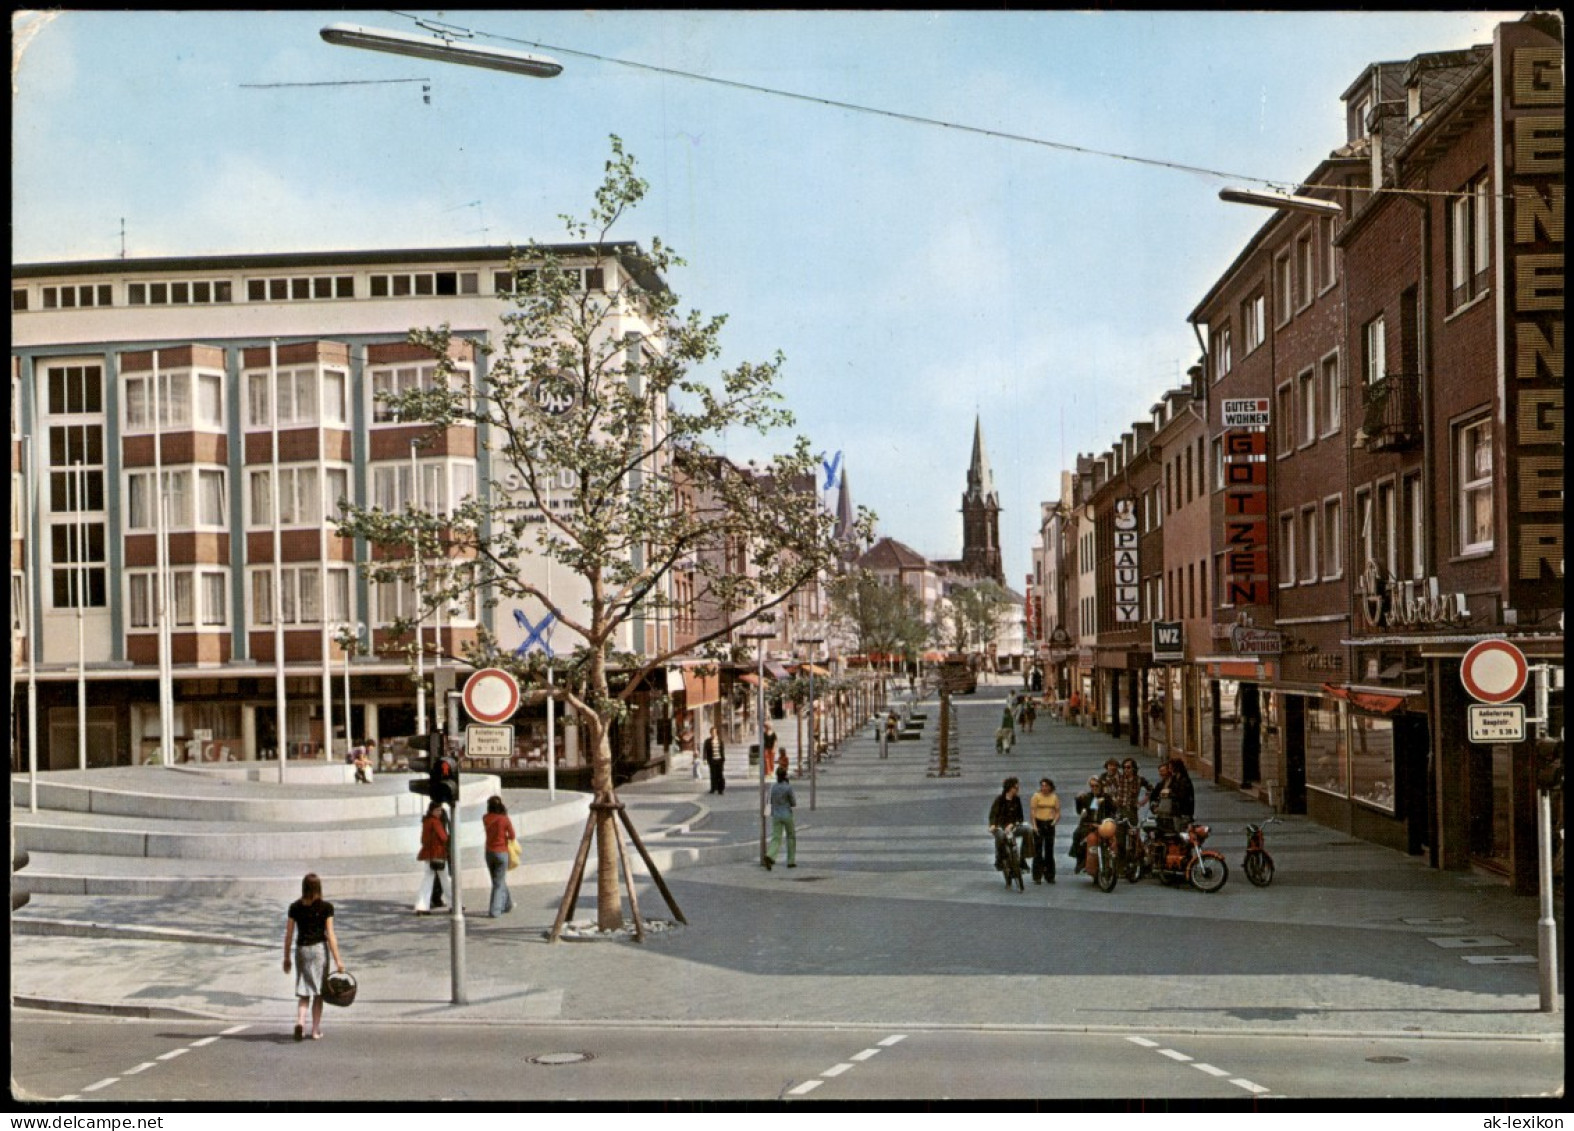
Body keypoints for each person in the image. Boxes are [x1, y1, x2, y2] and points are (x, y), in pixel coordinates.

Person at [282, 872, 344, 1042]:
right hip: (318, 951)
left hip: (301, 950)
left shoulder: (294, 907)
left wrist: (286, 958)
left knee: (304, 990)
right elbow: (330, 935)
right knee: (318, 992)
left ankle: (300, 1022)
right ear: (319, 888)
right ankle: (315, 1030)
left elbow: (288, 935)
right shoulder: (326, 908)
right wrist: (338, 960)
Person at [1070, 775, 1115, 873]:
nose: (1094, 788)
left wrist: (1105, 802)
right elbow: (1080, 811)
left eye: (1096, 786)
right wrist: (1078, 800)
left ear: (1101, 786)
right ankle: (1080, 861)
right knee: (1077, 835)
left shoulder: (1106, 797)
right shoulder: (1087, 797)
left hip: (1103, 825)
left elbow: (1113, 810)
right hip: (1089, 824)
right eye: (1092, 786)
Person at [482, 795, 516, 918]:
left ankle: (508, 904)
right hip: (501, 852)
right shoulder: (504, 819)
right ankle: (495, 910)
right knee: (498, 882)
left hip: (489, 852)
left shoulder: (485, 818)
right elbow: (512, 835)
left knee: (497, 880)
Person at [414, 800, 450, 915]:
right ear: (432, 811)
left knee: (427, 880)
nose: (440, 812)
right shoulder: (436, 822)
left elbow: (423, 839)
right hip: (438, 854)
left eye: (440, 810)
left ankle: (422, 906)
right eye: (438, 810)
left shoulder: (426, 821)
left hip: (428, 855)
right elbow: (444, 838)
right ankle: (455, 904)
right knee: (446, 880)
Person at [988, 777, 1029, 872]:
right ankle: (999, 860)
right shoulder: (999, 800)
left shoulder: (1017, 800)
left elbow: (1020, 817)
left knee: (1028, 830)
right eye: (1016, 787)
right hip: (1000, 827)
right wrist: (993, 825)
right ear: (1010, 788)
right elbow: (993, 814)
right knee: (1000, 836)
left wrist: (1013, 824)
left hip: (1013, 826)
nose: (1018, 789)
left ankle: (1023, 858)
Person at [1029, 777, 1060, 884]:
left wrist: (1054, 821)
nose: (1044, 788)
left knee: (1049, 851)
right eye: (1042, 786)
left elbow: (1057, 811)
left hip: (1049, 823)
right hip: (1039, 822)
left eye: (1046, 786)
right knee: (1038, 851)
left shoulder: (1054, 797)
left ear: (1050, 787)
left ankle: (1050, 876)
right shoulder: (1036, 796)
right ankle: (1037, 876)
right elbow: (1032, 812)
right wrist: (1034, 825)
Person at [765, 768, 797, 870]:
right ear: (785, 775)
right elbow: (793, 803)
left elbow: (769, 801)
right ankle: (791, 861)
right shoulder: (788, 787)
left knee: (776, 837)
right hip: (787, 814)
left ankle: (770, 855)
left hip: (776, 815)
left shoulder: (773, 787)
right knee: (791, 837)